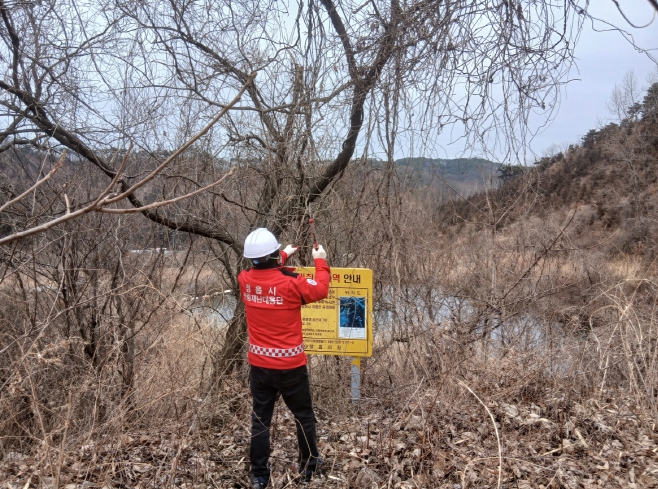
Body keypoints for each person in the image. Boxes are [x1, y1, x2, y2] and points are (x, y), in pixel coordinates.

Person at [238, 228, 330, 489]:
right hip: (290, 367)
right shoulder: (292, 283)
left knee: (260, 421)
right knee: (303, 416)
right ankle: (309, 466)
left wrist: (283, 256)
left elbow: (263, 270)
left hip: (259, 366)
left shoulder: (244, 280)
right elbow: (321, 289)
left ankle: (259, 475)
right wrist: (320, 260)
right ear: (273, 254)